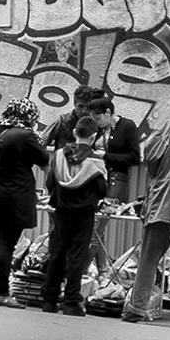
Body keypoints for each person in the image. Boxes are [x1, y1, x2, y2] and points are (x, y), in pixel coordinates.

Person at [122, 107, 170, 329]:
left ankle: (137, 309)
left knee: (149, 256)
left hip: (164, 196)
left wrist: (159, 177)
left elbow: (151, 157)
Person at [0, 97, 49, 308]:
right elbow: (44, 158)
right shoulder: (25, 135)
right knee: (8, 243)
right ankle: (2, 293)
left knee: (0, 243)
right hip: (16, 195)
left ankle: (0, 290)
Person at [41, 115, 107, 315]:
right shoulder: (95, 161)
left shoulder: (60, 155)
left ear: (74, 133)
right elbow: (102, 189)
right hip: (84, 214)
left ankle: (49, 300)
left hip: (61, 212)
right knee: (78, 256)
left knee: (57, 253)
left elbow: (50, 183)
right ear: (94, 136)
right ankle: (71, 301)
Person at [85, 95, 141, 281]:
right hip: (98, 179)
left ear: (108, 112)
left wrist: (106, 156)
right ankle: (103, 272)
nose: (96, 122)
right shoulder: (99, 130)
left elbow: (134, 158)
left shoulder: (127, 126)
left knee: (96, 227)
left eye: (98, 118)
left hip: (117, 180)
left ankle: (83, 271)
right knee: (97, 228)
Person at [42, 84, 94, 150]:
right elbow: (42, 142)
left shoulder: (94, 124)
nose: (84, 111)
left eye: (88, 107)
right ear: (74, 104)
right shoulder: (62, 121)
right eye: (80, 106)